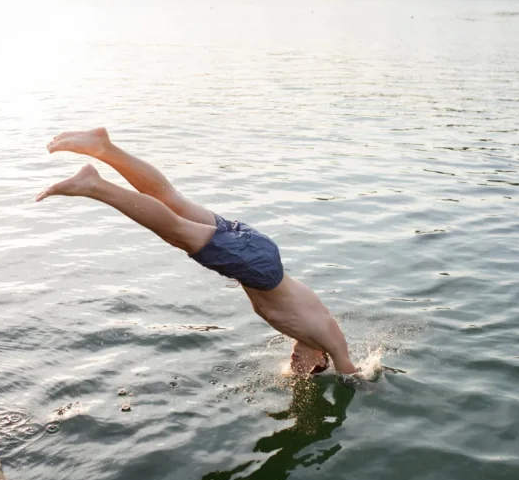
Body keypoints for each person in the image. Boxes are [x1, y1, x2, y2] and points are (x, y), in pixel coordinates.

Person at [36, 128, 359, 377]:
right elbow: (350, 371)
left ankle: (104, 147)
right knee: (175, 230)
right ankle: (95, 186)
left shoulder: (305, 338)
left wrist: (296, 375)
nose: (294, 361)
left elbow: (296, 365)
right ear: (321, 357)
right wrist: (361, 381)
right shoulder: (330, 341)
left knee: (172, 200)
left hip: (257, 253)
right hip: (258, 266)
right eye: (303, 364)